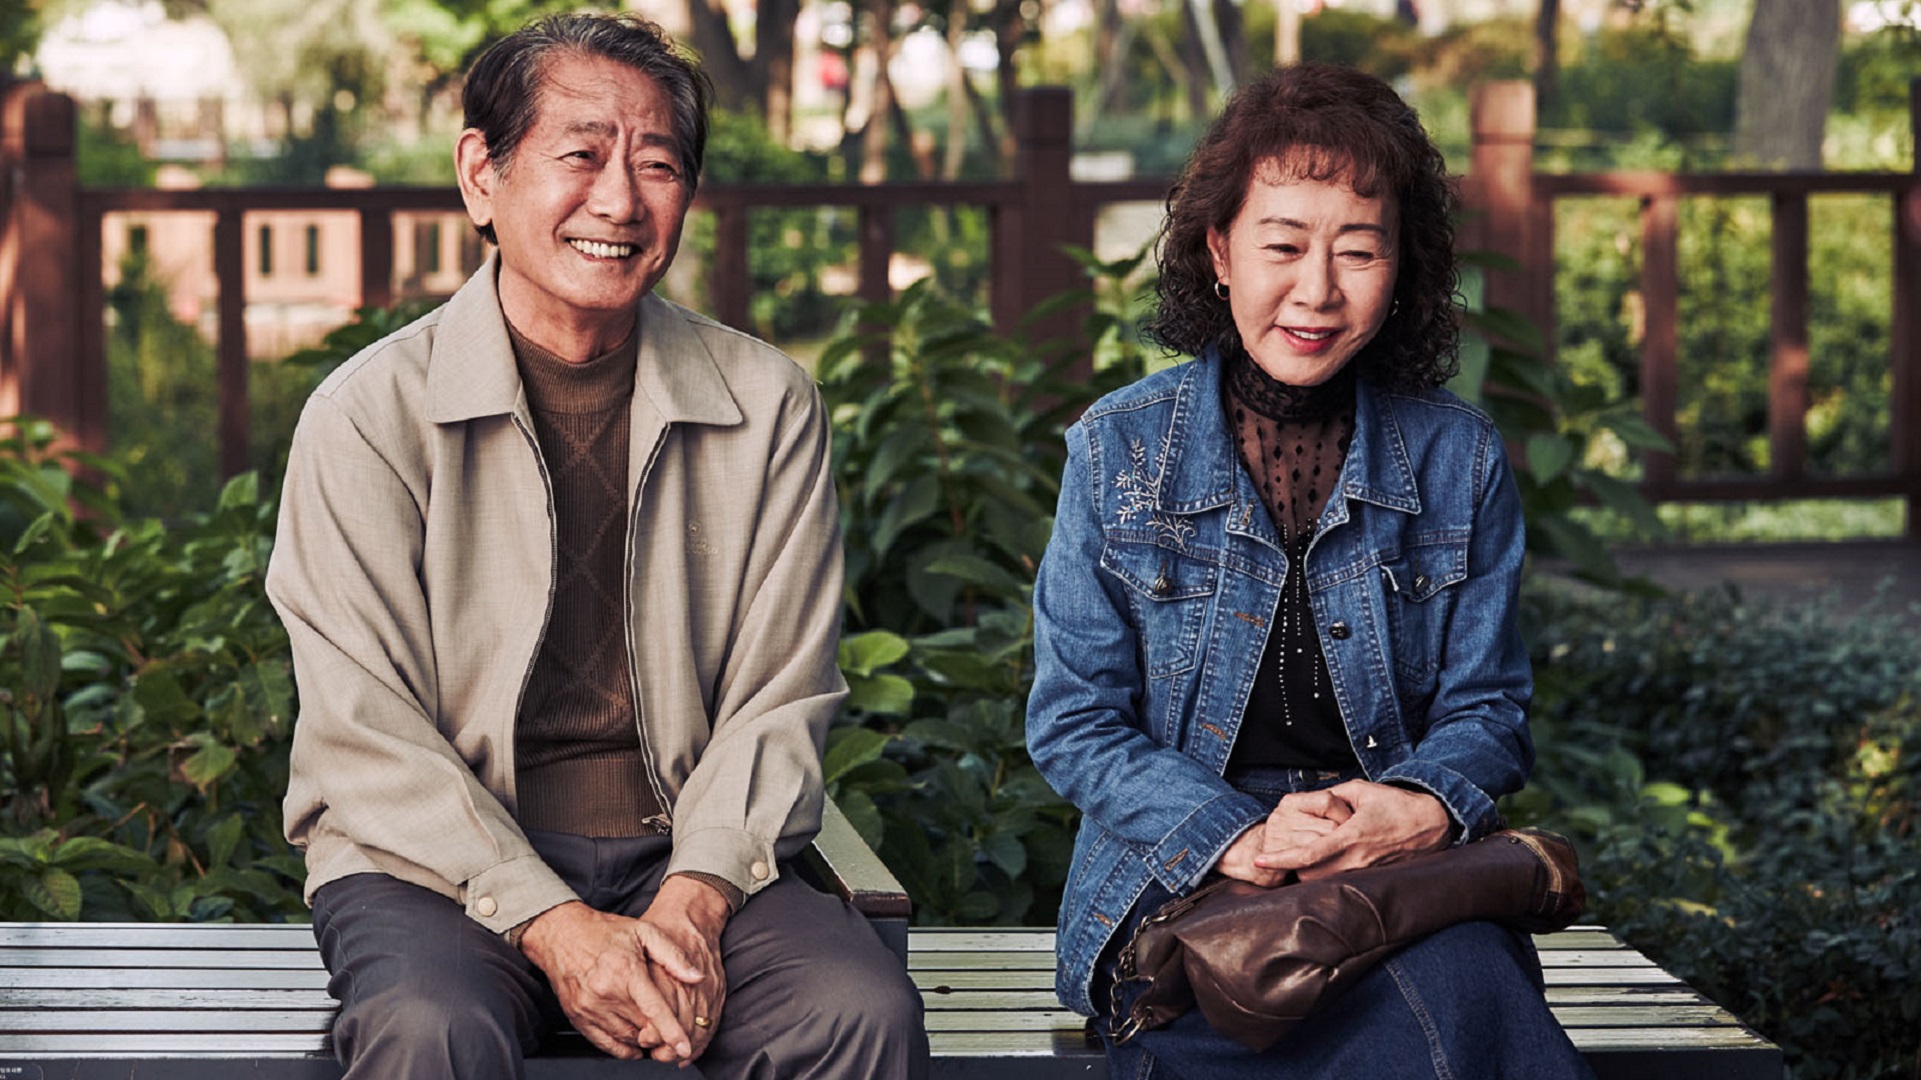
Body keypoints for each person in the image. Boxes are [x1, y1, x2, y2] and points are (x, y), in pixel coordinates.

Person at [265, 13, 926, 1079]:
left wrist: (697, 898)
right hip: (435, 867)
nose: (618, 199)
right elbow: (360, 731)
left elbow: (781, 695)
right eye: (579, 155)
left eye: (656, 162)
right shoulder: (369, 414)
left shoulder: (767, 405)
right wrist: (554, 924)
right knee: (430, 1032)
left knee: (856, 1012)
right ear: (482, 172)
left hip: (689, 851)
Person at [1025, 63, 1598, 1079]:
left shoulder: (1455, 458)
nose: (1317, 290)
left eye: (1358, 251)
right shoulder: (1116, 452)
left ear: (1401, 269)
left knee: (1461, 990)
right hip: (1186, 882)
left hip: (1396, 881)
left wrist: (1415, 808)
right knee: (1428, 1032)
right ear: (1217, 252)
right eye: (1282, 245)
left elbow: (1490, 710)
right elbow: (1072, 721)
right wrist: (1239, 836)